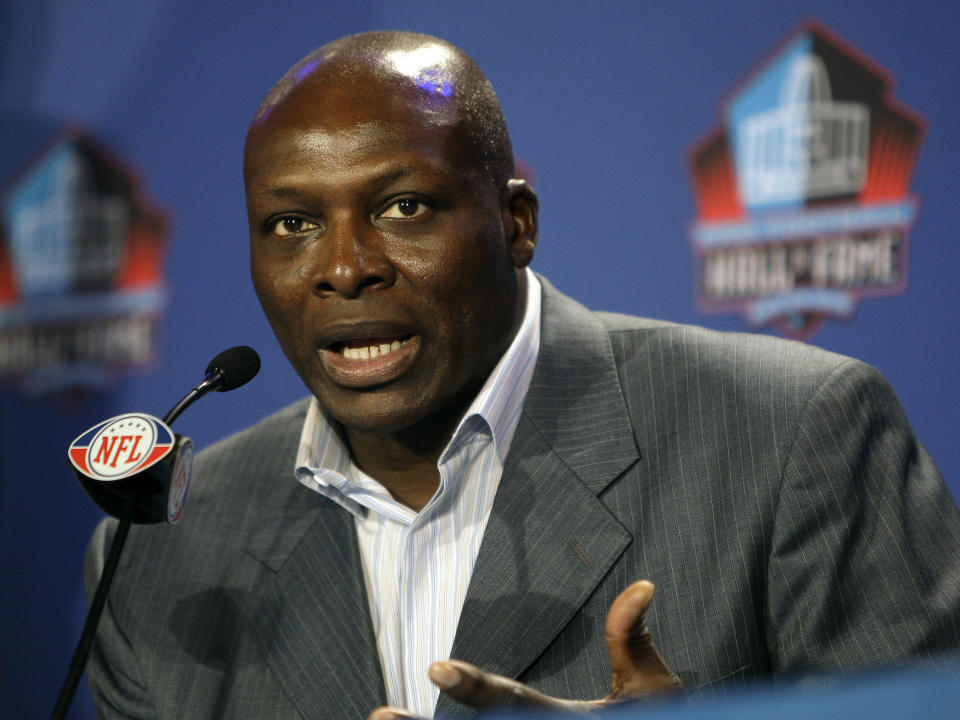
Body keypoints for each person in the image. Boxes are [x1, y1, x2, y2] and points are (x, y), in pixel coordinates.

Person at [84, 30, 960, 720]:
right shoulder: (161, 553)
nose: (344, 267)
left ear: (515, 224)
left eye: (403, 207)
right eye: (290, 224)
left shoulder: (793, 435)